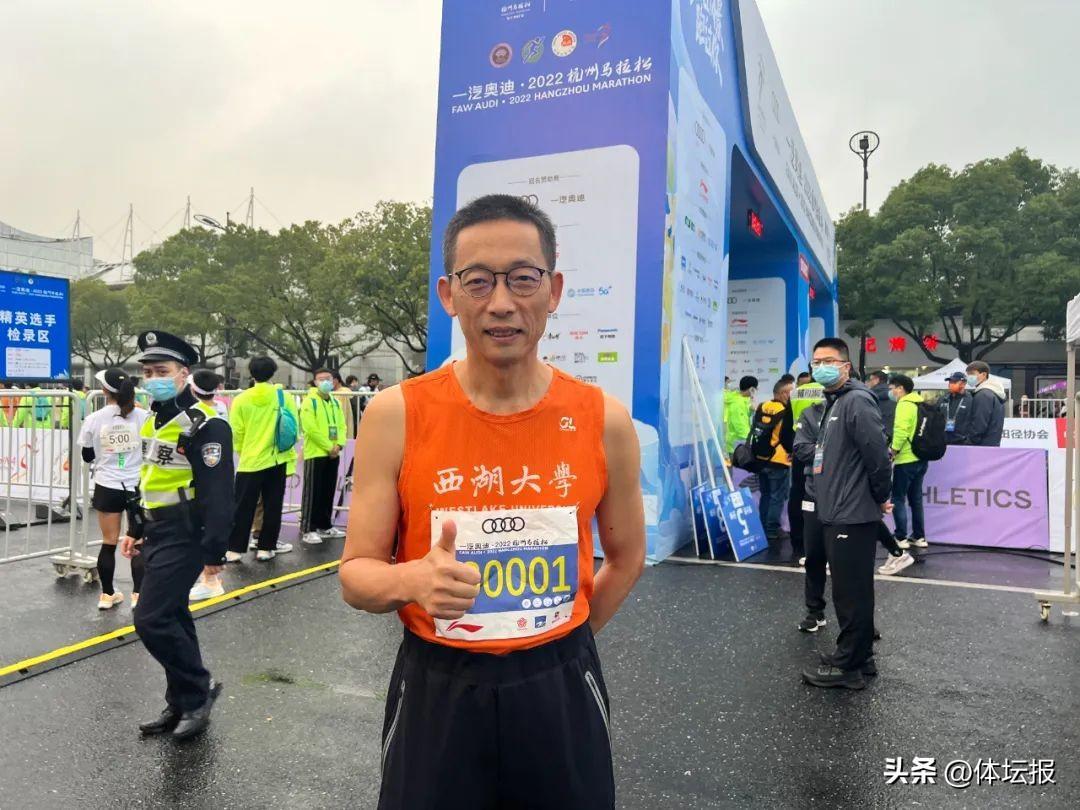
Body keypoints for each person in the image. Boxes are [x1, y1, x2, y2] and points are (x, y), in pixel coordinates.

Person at [339, 193, 645, 809]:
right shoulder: (397, 414)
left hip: (560, 687)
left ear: (553, 290)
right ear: (449, 295)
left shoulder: (604, 419)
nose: (501, 302)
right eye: (478, 281)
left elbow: (626, 557)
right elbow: (356, 575)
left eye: (523, 278)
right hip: (438, 688)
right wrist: (411, 580)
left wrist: (561, 635)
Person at [119, 330, 233, 740]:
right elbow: (149, 478)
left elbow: (219, 493)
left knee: (150, 619)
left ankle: (198, 690)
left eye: (162, 371)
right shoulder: (154, 419)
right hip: (157, 528)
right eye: (148, 372)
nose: (153, 378)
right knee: (173, 615)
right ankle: (181, 699)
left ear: (184, 374)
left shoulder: (206, 425)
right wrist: (136, 528)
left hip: (187, 532)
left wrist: (214, 551)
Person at [800, 338, 892, 690]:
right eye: (816, 361)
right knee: (853, 589)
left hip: (850, 513)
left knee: (850, 594)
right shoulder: (835, 402)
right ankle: (860, 655)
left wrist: (880, 496)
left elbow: (877, 454)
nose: (820, 367)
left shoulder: (855, 401)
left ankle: (848, 666)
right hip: (838, 510)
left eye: (828, 360)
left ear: (845, 366)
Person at [80, 368, 150, 610]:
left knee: (108, 542)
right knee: (138, 541)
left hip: (107, 484)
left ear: (104, 391)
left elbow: (87, 455)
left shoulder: (94, 418)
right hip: (136, 485)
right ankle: (138, 595)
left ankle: (107, 595)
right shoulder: (143, 416)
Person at [226, 356, 298, 562]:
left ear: (251, 373)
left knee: (242, 506)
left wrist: (243, 451)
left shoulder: (241, 399)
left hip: (250, 461)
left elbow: (237, 431)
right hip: (276, 460)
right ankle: (266, 548)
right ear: (273, 372)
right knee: (272, 506)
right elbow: (293, 428)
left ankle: (234, 549)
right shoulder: (284, 397)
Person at [878, 375, 924, 575]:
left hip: (906, 458)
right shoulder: (920, 403)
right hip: (921, 457)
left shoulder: (904, 404)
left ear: (901, 388)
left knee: (898, 497)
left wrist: (893, 451)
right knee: (916, 498)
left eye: (893, 388)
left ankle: (901, 537)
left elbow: (901, 430)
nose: (891, 392)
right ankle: (919, 537)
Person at [299, 368, 347, 546]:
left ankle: (325, 525)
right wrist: (329, 446)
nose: (325, 382)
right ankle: (308, 528)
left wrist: (339, 444)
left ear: (334, 380)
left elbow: (341, 425)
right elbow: (310, 429)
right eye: (321, 379)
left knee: (328, 490)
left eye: (328, 378)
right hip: (316, 453)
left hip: (333, 453)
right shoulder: (309, 402)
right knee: (313, 492)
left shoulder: (335, 402)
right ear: (315, 382)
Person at [792, 397, 828, 631]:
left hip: (850, 497)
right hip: (815, 493)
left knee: (850, 564)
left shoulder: (859, 406)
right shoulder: (811, 413)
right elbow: (801, 449)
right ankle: (815, 611)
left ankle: (859, 621)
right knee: (814, 556)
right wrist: (836, 452)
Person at [751, 379, 795, 548]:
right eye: (791, 392)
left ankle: (763, 526)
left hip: (761, 458)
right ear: (783, 393)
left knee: (766, 495)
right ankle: (771, 529)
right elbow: (787, 437)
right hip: (778, 458)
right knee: (777, 497)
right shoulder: (785, 411)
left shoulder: (762, 406)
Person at [789, 374, 824, 565]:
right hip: (821, 452)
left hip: (799, 447)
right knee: (819, 497)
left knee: (797, 495)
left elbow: (789, 422)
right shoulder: (828, 390)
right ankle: (819, 544)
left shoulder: (796, 392)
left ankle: (798, 540)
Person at [966, 361, 1006, 447]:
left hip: (981, 445)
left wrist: (970, 441)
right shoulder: (995, 393)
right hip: (992, 443)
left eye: (972, 374)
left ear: (984, 374)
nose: (969, 377)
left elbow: (979, 423)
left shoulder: (983, 395)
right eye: (968, 374)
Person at [723, 375, 757, 454]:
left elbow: (746, 418)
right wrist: (750, 439)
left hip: (741, 443)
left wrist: (751, 409)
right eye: (755, 388)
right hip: (737, 444)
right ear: (751, 389)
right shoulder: (737, 403)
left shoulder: (744, 400)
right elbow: (739, 424)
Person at [940, 371, 974, 445]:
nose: (950, 384)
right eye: (950, 382)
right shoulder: (943, 399)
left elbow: (974, 422)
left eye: (954, 382)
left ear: (963, 384)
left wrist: (968, 440)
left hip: (962, 443)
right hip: (943, 442)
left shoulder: (971, 400)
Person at [866, 370, 896, 443]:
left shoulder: (870, 395)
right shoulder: (894, 394)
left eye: (870, 380)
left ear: (876, 380)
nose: (869, 382)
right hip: (893, 434)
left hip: (877, 434)